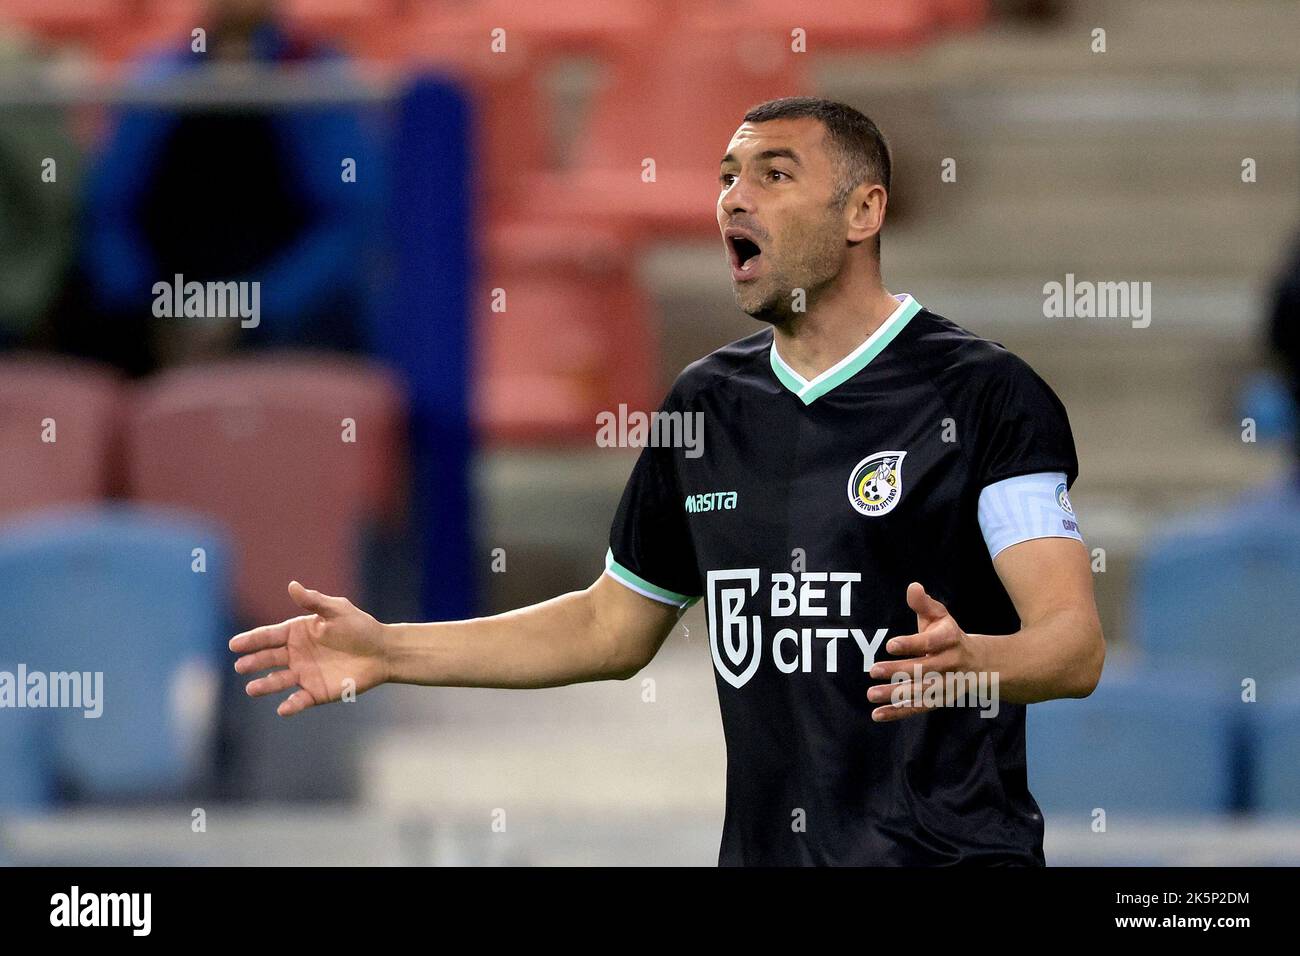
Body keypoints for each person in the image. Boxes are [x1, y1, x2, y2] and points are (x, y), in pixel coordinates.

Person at [230, 97, 1105, 866]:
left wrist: (978, 663)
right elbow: (609, 626)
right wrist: (389, 651)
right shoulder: (706, 405)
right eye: (728, 176)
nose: (735, 196)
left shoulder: (986, 395)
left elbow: (1072, 645)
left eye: (774, 173)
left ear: (863, 210)